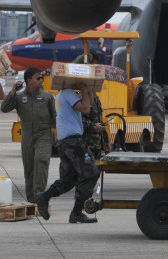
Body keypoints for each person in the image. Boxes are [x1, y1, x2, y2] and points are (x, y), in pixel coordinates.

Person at [35, 79, 98, 223]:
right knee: (91, 173)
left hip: (65, 143)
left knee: (69, 179)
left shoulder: (61, 94)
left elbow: (90, 103)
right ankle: (76, 212)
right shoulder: (68, 93)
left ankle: (45, 196)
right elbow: (86, 109)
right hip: (74, 143)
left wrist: (87, 90)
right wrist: (83, 89)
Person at [3, 68, 56, 201]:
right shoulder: (20, 97)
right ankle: (31, 200)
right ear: (29, 81)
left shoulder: (47, 97)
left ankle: (40, 196)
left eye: (41, 78)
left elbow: (54, 118)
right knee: (29, 168)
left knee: (41, 161)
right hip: (27, 135)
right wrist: (13, 91)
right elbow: (4, 108)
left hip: (43, 134)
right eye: (38, 78)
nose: (41, 80)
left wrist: (58, 137)